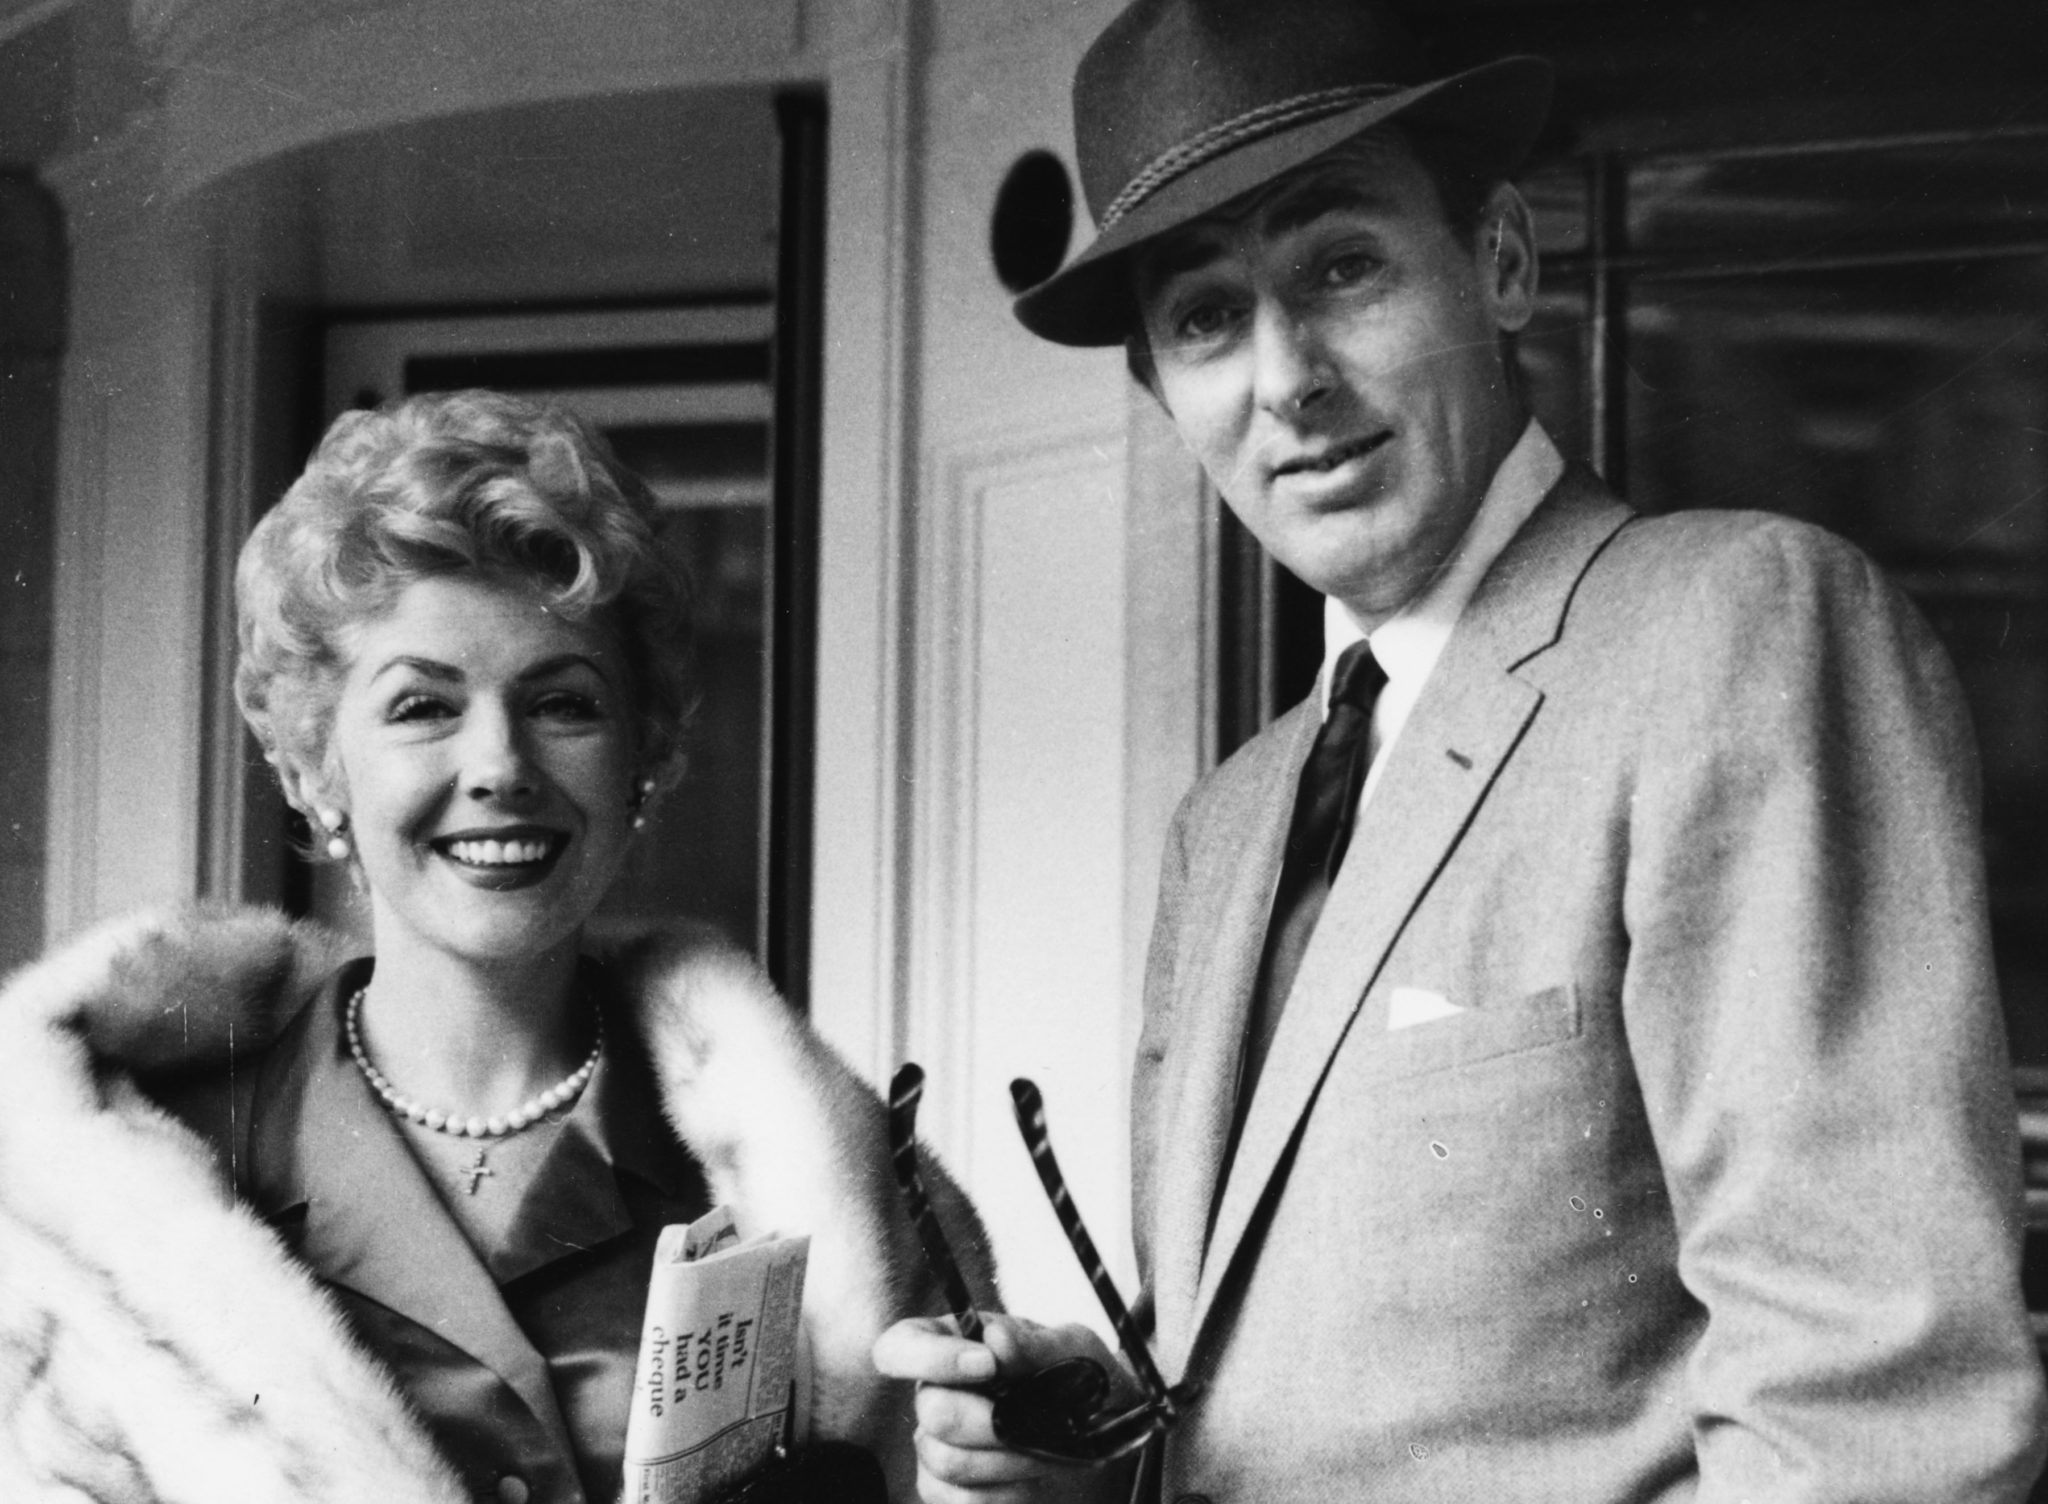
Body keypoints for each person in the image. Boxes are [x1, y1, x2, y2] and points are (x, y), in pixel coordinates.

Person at [874, 1, 2048, 1500]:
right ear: (1163, 387)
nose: (1286, 377)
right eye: (1206, 315)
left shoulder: (1734, 627)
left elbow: (1873, 1412)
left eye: (1341, 266)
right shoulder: (1228, 823)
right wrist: (1103, 1442)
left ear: (1499, 261)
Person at [0, 390, 991, 1504]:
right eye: (422, 706)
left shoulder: (842, 1193)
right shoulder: (108, 1188)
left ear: (643, 754)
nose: (499, 766)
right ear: (314, 766)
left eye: (561, 703)